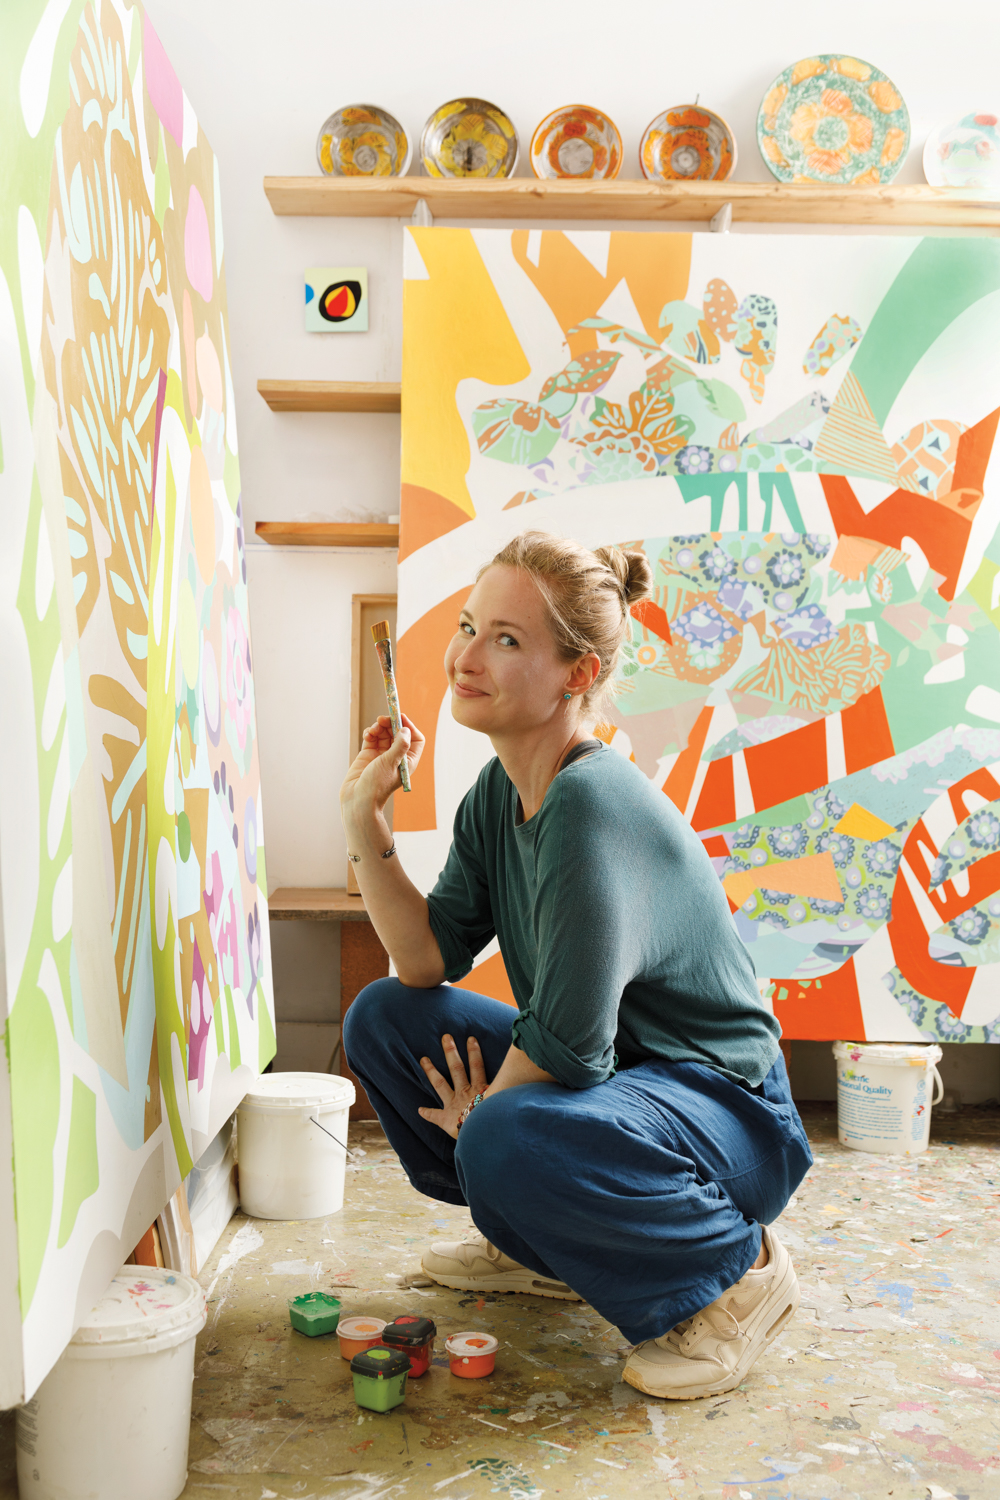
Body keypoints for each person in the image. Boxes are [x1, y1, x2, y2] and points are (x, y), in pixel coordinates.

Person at [340, 530, 812, 1401]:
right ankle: (548, 1245)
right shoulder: (500, 791)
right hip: (627, 1093)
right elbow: (425, 961)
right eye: (471, 625)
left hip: (729, 1116)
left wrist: (483, 1125)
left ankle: (738, 1278)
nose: (466, 656)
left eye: (507, 640)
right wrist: (363, 823)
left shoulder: (590, 804)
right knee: (383, 1018)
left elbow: (564, 1049)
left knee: (503, 1133)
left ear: (579, 674)